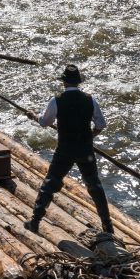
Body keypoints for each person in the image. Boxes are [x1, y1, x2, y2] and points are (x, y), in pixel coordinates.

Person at [25, 65, 113, 235]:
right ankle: (108, 226)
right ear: (78, 82)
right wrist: (90, 137)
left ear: (64, 82)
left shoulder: (56, 100)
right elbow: (101, 124)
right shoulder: (90, 100)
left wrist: (32, 115)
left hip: (65, 150)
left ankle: (35, 222)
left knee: (50, 183)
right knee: (95, 186)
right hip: (85, 150)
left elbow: (45, 122)